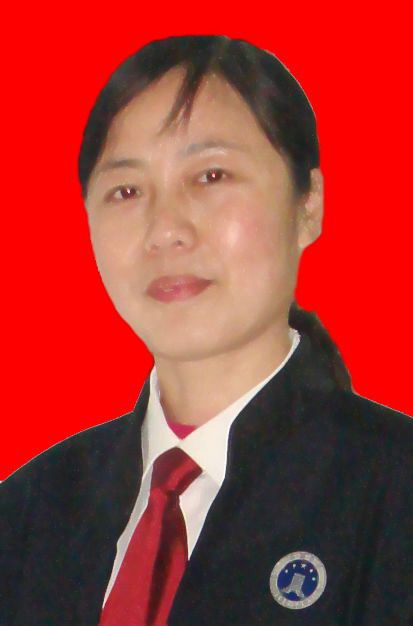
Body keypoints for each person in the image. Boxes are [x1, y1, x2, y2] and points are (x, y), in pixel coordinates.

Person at [1, 34, 412, 626]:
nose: (166, 229)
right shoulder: (25, 515)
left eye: (211, 175)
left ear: (309, 205)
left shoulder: (395, 494)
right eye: (126, 190)